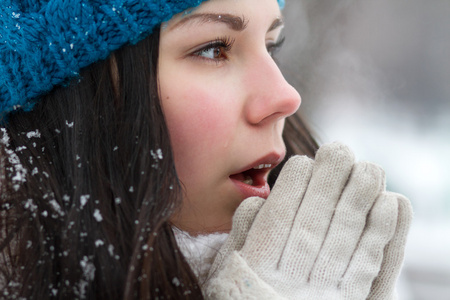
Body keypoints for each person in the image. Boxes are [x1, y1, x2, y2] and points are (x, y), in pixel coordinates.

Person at [0, 0, 411, 299]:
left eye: (271, 47)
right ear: (81, 100)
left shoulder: (340, 266)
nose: (286, 97)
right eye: (214, 48)